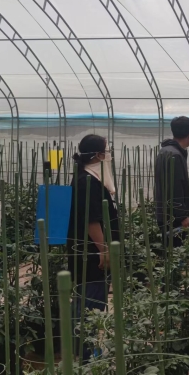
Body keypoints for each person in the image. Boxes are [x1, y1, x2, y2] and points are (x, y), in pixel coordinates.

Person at [67, 134, 120, 314]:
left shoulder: (87, 177)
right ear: (98, 155)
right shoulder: (87, 181)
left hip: (91, 251)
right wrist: (103, 250)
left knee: (90, 299)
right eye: (106, 151)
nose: (109, 155)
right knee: (90, 302)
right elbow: (91, 220)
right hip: (91, 254)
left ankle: (80, 330)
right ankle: (79, 332)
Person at [154, 116, 189, 248]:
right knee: (176, 252)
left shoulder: (164, 151)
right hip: (174, 217)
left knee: (169, 252)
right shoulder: (175, 155)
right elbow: (175, 188)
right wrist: (182, 216)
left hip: (164, 213)